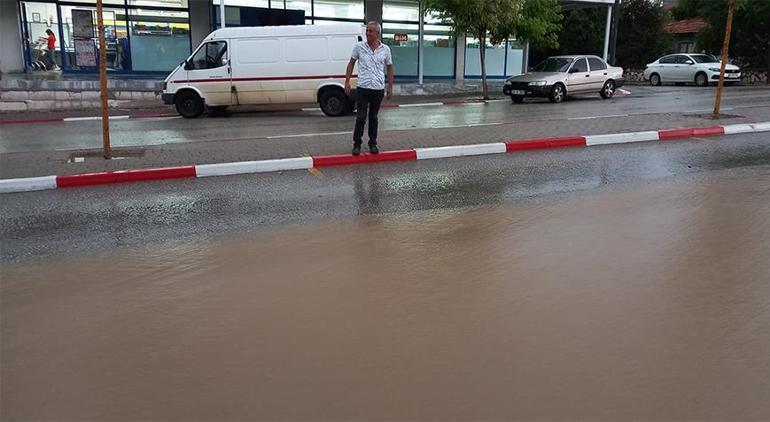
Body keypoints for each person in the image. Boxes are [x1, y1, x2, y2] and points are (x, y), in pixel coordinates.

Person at [344, 21, 394, 156]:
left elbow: (389, 68)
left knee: (374, 117)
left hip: (377, 88)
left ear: (377, 34)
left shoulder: (385, 49)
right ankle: (357, 144)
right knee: (360, 117)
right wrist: (347, 81)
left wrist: (390, 86)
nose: (367, 33)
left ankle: (373, 143)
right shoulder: (359, 47)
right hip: (363, 88)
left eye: (370, 31)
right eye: (367, 31)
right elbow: (351, 64)